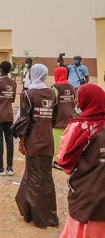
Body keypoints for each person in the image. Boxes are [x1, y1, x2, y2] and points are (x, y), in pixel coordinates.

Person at [13, 64, 59, 228]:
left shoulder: (27, 94)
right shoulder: (52, 94)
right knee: (46, 177)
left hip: (33, 140)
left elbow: (24, 121)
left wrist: (22, 141)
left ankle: (38, 217)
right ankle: (50, 215)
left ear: (32, 75)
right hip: (47, 139)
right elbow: (54, 119)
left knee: (33, 177)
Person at [56, 84, 105, 238]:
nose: (77, 102)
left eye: (79, 98)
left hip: (86, 195)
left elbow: (65, 162)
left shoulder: (79, 127)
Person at [51, 66, 76, 167]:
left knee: (57, 140)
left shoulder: (55, 87)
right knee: (68, 141)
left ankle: (58, 161)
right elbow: (73, 101)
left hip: (58, 118)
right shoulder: (71, 87)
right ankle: (67, 160)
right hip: (70, 117)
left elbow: (52, 103)